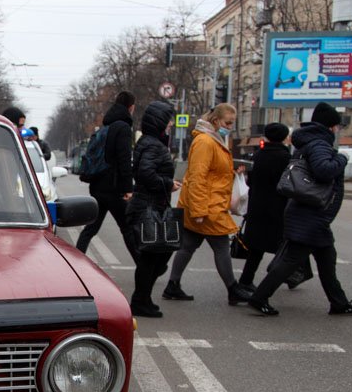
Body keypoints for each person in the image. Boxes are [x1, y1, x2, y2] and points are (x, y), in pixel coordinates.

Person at [247, 102, 352, 316]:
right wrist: (342, 158)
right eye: (337, 126)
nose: (337, 130)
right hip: (310, 212)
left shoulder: (308, 143)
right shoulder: (319, 144)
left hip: (310, 211)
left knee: (327, 258)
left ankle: (339, 302)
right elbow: (324, 171)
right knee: (292, 259)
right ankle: (259, 297)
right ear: (331, 126)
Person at [161, 103, 252, 305]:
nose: (230, 127)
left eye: (232, 123)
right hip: (207, 206)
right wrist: (199, 210)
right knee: (221, 247)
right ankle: (233, 289)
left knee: (188, 246)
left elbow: (211, 173)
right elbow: (197, 177)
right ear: (215, 120)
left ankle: (173, 285)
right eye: (228, 123)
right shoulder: (205, 141)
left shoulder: (212, 139)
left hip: (205, 204)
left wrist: (231, 172)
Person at [236, 122, 313, 289]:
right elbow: (291, 184)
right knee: (286, 247)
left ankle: (245, 281)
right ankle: (288, 277)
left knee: (257, 249)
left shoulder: (257, 156)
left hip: (257, 207)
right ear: (285, 138)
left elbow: (250, 182)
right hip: (279, 208)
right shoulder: (286, 158)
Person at [126, 100, 180, 317]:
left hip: (149, 205)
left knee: (154, 257)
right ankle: (140, 300)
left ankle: (143, 298)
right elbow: (145, 174)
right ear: (159, 121)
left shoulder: (149, 142)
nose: (171, 124)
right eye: (168, 120)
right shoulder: (154, 145)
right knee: (152, 258)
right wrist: (168, 184)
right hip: (149, 206)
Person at [76, 91, 139, 262]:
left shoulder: (106, 128)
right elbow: (124, 160)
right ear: (131, 107)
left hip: (97, 187)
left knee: (91, 228)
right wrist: (128, 189)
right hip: (114, 188)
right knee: (127, 228)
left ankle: (76, 260)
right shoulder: (123, 128)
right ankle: (144, 267)